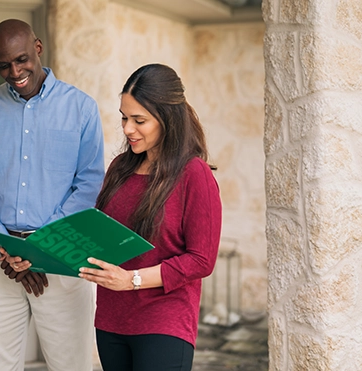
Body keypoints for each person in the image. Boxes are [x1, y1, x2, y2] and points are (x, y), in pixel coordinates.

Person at [0, 19, 105, 371]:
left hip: (64, 258)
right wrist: (10, 251)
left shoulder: (81, 108)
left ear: (37, 48)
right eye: (3, 65)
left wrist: (39, 250)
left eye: (21, 59)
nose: (14, 71)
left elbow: (88, 184)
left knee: (74, 364)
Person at [78, 64, 222, 371]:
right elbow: (101, 236)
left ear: (167, 119)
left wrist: (131, 280)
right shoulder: (119, 168)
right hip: (111, 321)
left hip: (164, 322)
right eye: (124, 117)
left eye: (139, 120)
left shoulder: (194, 175)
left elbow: (201, 260)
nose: (128, 128)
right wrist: (40, 253)